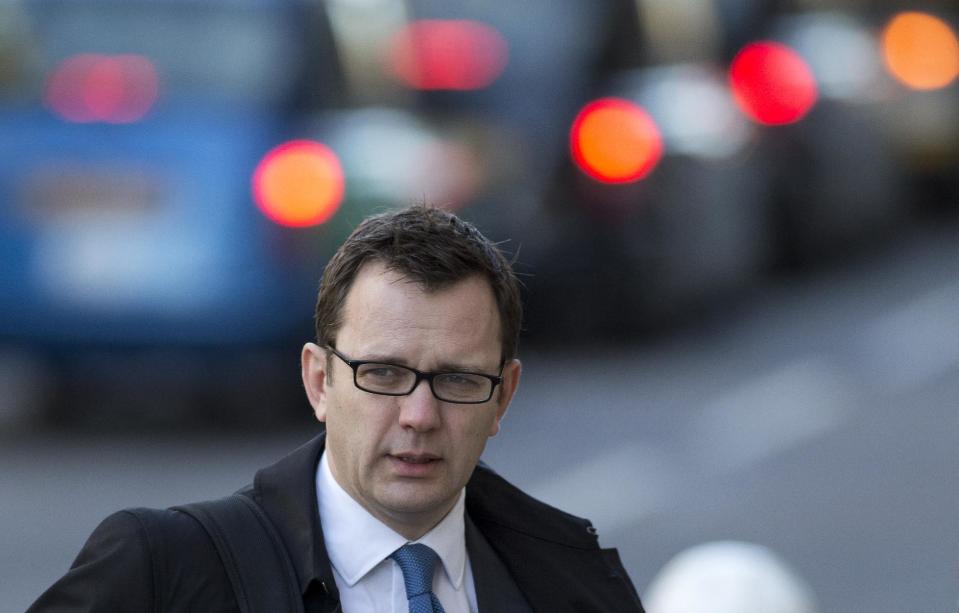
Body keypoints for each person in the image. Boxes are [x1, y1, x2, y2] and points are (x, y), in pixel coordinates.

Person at [28, 206, 644, 612]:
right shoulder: (165, 573)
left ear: (503, 395)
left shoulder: (576, 587)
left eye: (456, 380)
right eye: (383, 373)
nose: (419, 416)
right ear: (319, 381)